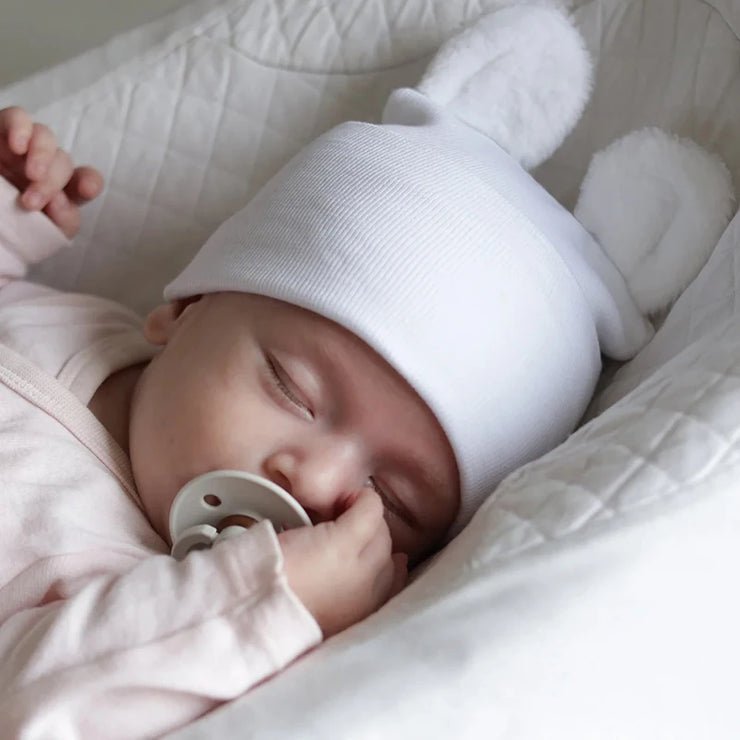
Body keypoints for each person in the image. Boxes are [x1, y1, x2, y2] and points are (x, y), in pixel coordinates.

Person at [0, 6, 665, 736]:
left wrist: (261, 603)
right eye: (294, 390)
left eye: (393, 497)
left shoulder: (134, 606)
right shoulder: (73, 321)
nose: (316, 485)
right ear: (184, 308)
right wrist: (12, 201)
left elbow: (32, 703)